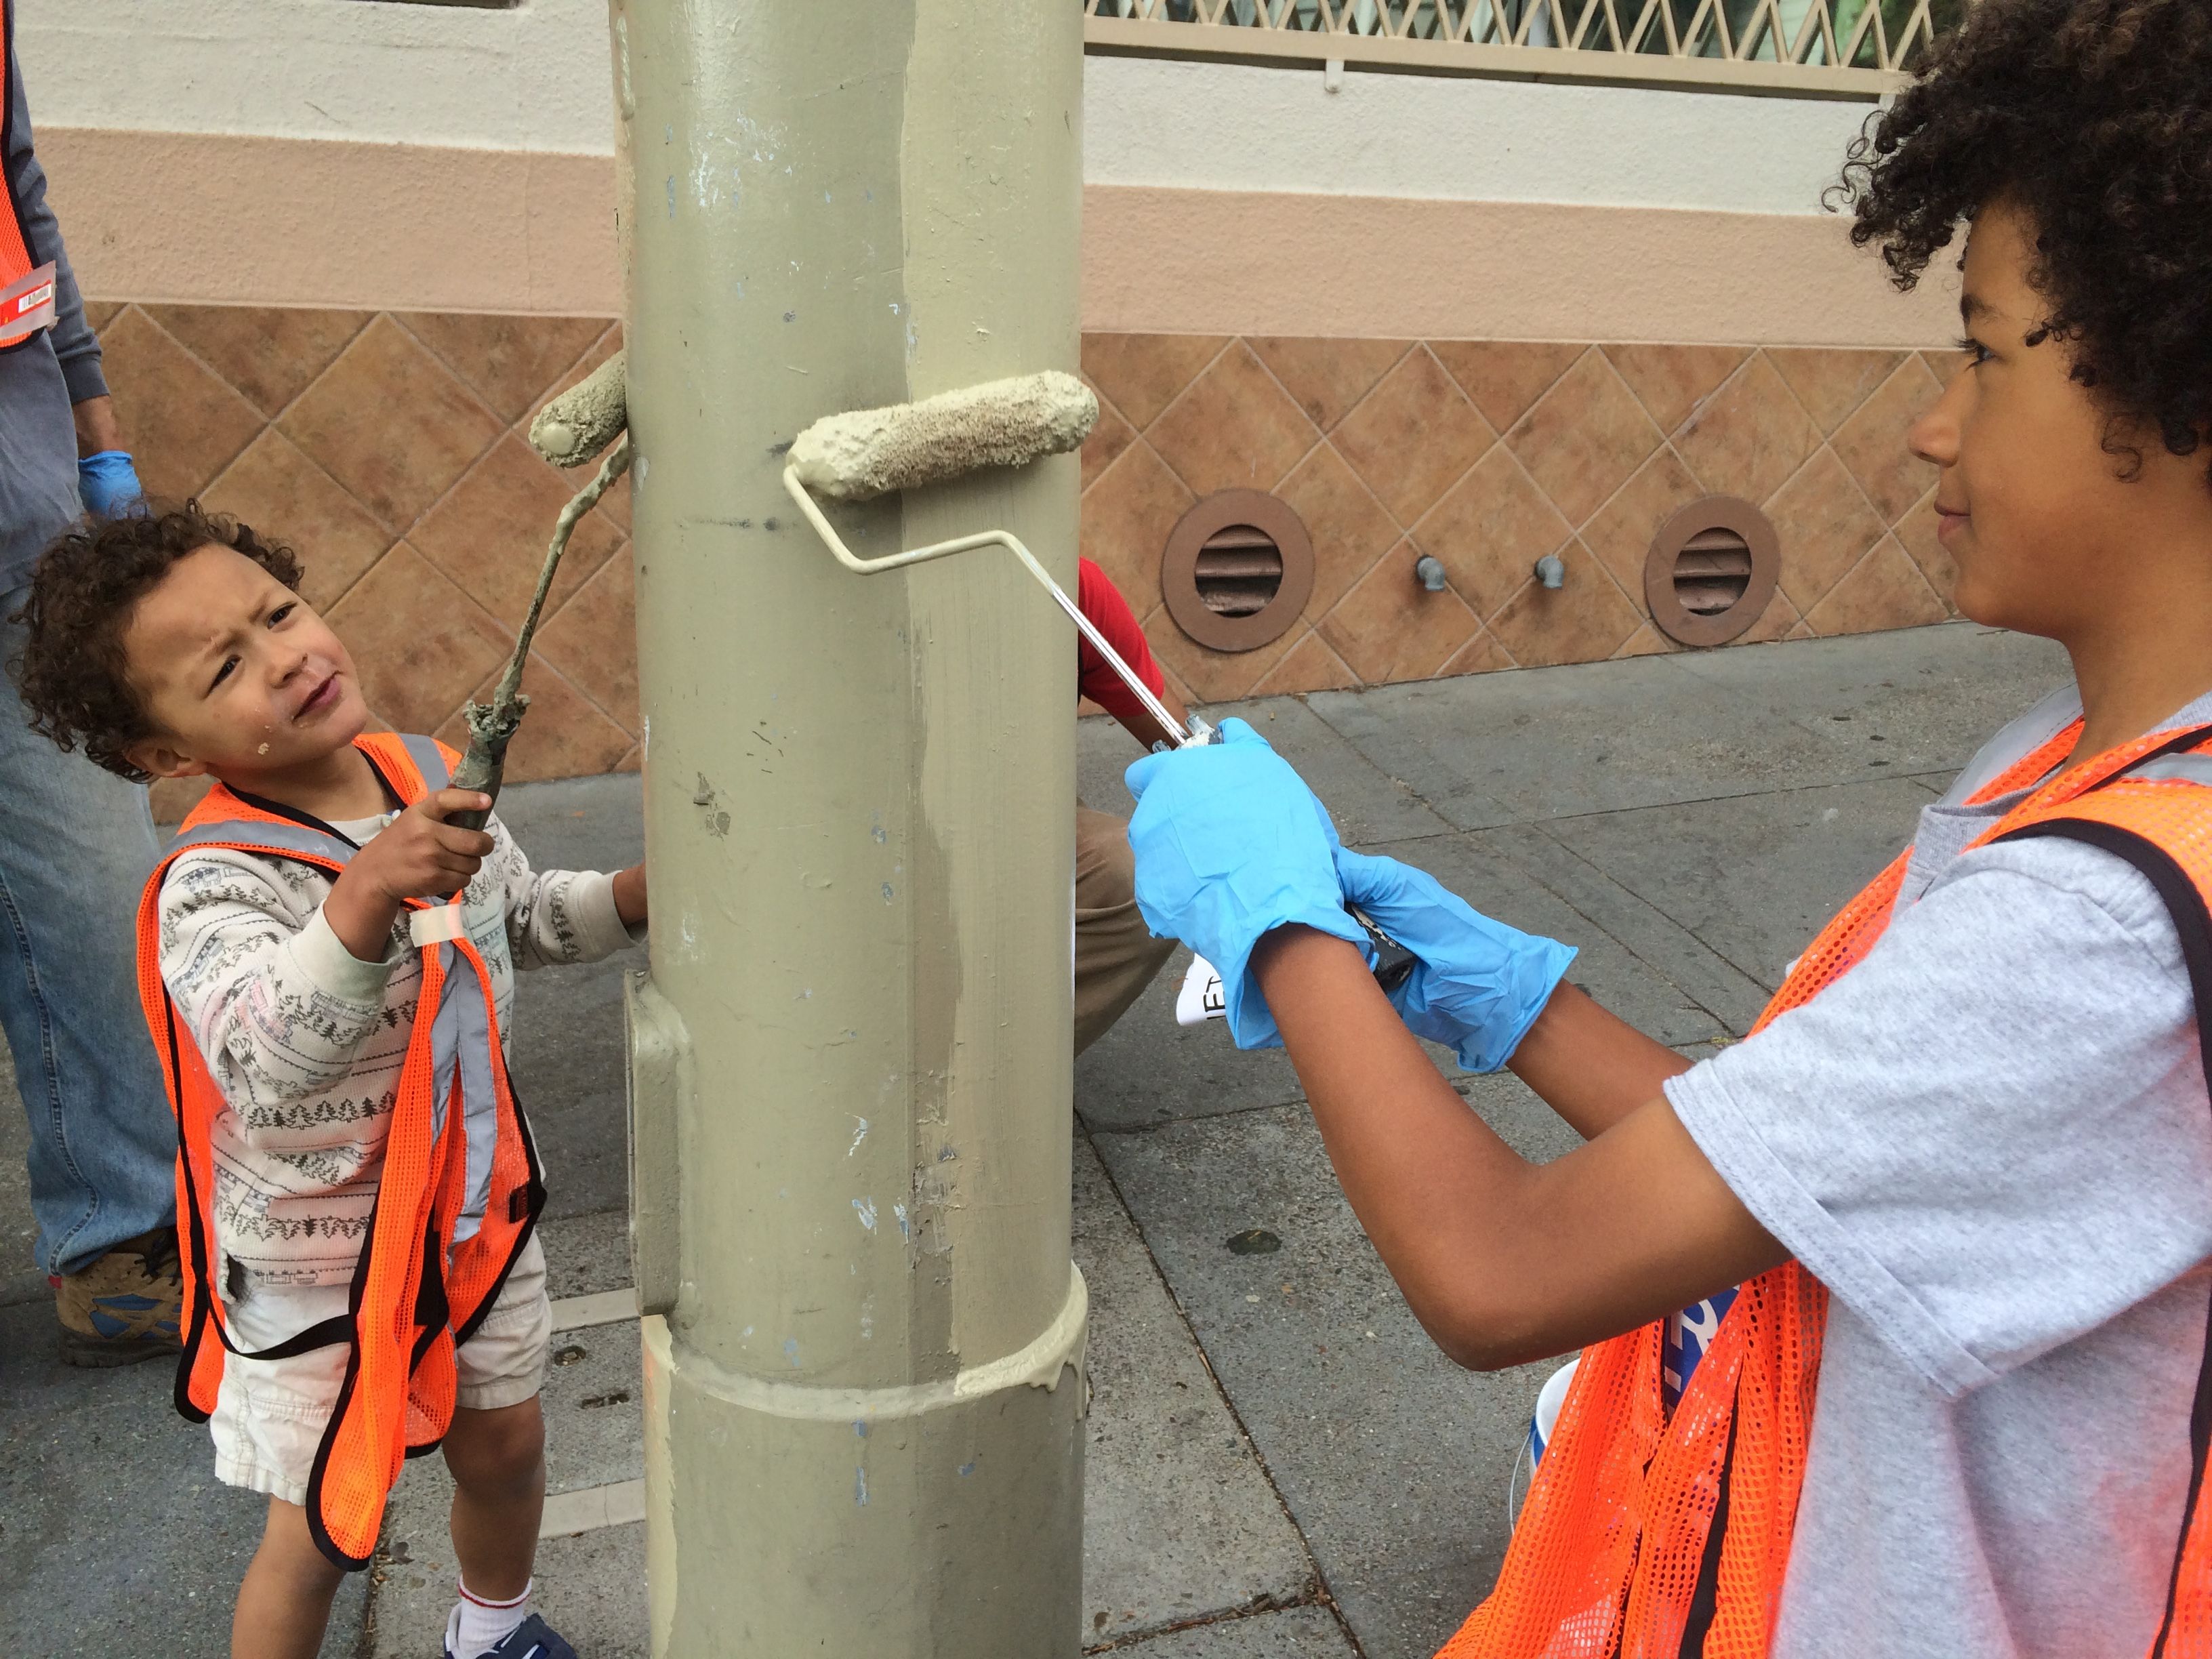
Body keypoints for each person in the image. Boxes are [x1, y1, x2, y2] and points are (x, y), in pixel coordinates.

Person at [1118, 1, 2212, 1652]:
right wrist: (1521, 1002)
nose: (1935, 421)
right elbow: (1825, 1164)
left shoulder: (2106, 923)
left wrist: (1278, 922)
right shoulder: (2082, 764)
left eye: (1983, 352)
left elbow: (1500, 1272)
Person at [13, 504, 649, 1659]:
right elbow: (259, 1057)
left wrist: (630, 898)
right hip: (317, 1271)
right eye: (226, 665)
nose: (288, 655)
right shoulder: (212, 882)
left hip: (471, 1216)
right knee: (320, 1528)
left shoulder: (421, 775)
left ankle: (491, 1628)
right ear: (165, 753)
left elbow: (516, 917)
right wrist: (361, 899)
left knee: (504, 1442)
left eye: (279, 611)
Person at [0, 0, 181, 1366]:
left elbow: (21, 203)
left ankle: (128, 1233)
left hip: (19, 515)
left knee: (89, 888)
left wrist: (92, 431)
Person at [1072, 556, 1182, 1052]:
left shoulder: (1064, 583)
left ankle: (1003, 1083)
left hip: (1015, 804)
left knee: (1153, 871)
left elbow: (1185, 749)